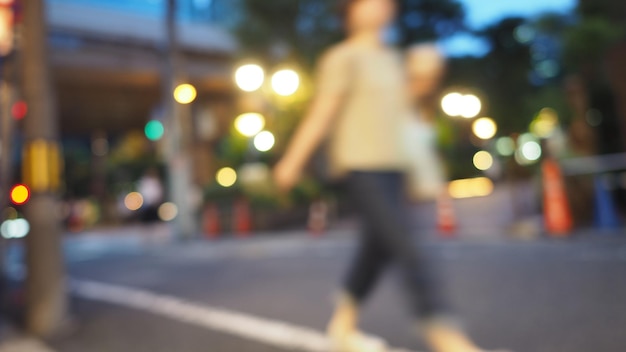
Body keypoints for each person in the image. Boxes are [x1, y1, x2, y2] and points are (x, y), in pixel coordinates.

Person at [274, 1, 506, 351]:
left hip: (394, 165)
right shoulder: (342, 57)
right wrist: (292, 160)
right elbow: (322, 112)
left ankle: (343, 324)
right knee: (404, 243)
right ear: (349, 11)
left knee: (377, 247)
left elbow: (404, 113)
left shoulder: (393, 60)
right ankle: (443, 332)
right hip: (359, 165)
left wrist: (424, 80)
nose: (380, 6)